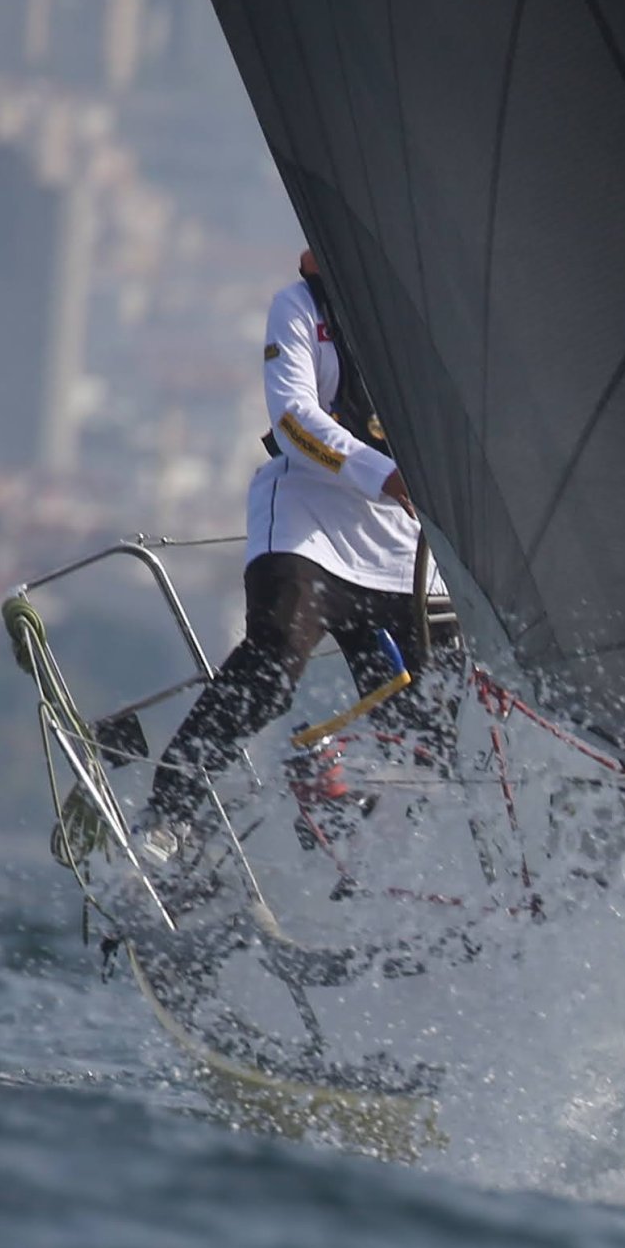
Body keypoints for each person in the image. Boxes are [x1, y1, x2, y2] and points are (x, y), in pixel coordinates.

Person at [135, 253, 450, 863]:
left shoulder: (428, 315)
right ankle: (170, 811)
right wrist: (386, 476)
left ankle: (375, 853)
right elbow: (291, 423)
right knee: (274, 661)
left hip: (402, 548)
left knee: (431, 727)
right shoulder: (299, 307)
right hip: (309, 524)